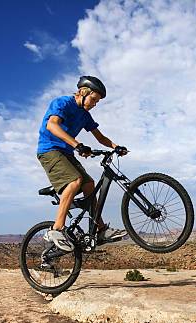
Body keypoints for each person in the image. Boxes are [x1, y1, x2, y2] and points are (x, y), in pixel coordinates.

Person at [36, 75, 128, 251]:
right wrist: (77, 145)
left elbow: (100, 138)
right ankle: (57, 229)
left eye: (97, 102)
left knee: (89, 184)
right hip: (49, 150)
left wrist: (116, 147)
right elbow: (52, 126)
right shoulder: (62, 103)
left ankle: (100, 229)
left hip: (66, 153)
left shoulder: (85, 116)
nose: (94, 104)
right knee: (74, 181)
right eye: (93, 99)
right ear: (82, 92)